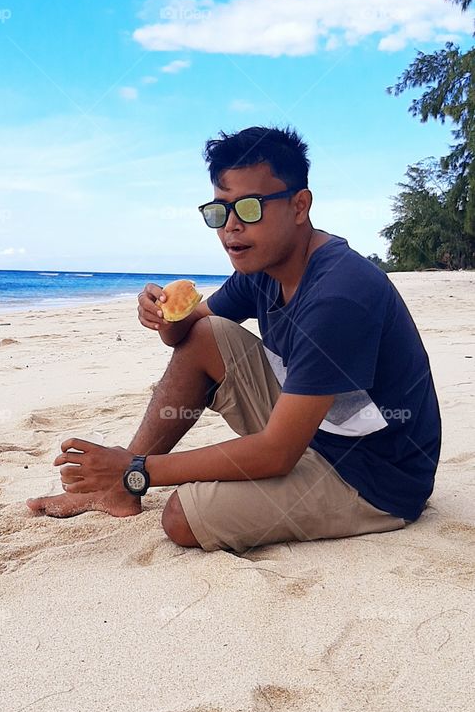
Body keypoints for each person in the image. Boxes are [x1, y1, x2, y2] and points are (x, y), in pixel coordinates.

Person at [27, 125, 442, 555]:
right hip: (316, 431)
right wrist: (165, 313)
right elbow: (190, 334)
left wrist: (139, 468)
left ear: (300, 205)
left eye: (250, 207)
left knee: (183, 517)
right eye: (220, 211)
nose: (232, 227)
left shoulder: (338, 294)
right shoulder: (263, 269)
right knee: (208, 335)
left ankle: (125, 479)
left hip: (373, 476)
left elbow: (277, 453)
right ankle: (119, 490)